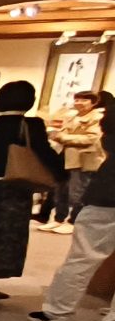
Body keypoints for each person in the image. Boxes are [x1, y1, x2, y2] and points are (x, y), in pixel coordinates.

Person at [30, 91, 115, 321]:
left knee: (83, 256)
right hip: (105, 194)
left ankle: (58, 312)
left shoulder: (109, 122)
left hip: (106, 194)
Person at [0, 81, 64, 297]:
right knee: (7, 235)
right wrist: (61, 174)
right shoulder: (30, 125)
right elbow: (43, 151)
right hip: (14, 185)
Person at [43, 89, 104, 234]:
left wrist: (64, 138)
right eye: (77, 100)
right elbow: (61, 133)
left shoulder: (97, 117)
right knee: (60, 190)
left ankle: (73, 221)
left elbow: (91, 138)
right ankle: (59, 218)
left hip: (83, 159)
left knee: (78, 192)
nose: (79, 103)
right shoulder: (71, 115)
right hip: (65, 157)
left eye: (84, 100)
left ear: (93, 102)